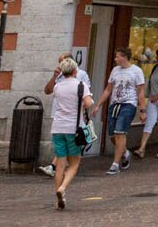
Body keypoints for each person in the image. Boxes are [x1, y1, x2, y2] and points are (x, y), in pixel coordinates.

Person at [44, 55, 96, 211]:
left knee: (60, 164)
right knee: (74, 163)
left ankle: (58, 197)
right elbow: (88, 103)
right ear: (75, 71)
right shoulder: (80, 85)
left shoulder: (58, 86)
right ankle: (63, 188)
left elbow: (48, 90)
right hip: (73, 128)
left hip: (58, 127)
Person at [103, 47, 145, 173]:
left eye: (117, 56)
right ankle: (125, 152)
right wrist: (98, 105)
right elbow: (108, 89)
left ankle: (115, 164)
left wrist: (142, 110)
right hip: (114, 104)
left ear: (124, 57)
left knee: (120, 132)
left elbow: (140, 92)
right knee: (112, 135)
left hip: (128, 104)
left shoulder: (136, 71)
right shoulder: (115, 70)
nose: (115, 59)